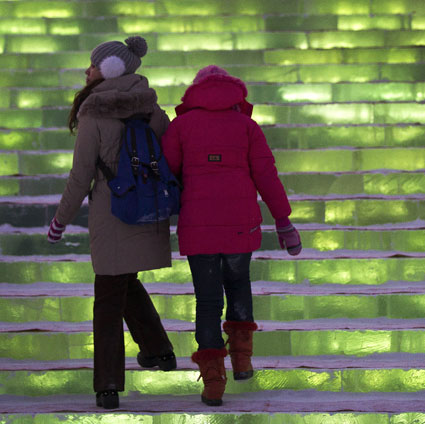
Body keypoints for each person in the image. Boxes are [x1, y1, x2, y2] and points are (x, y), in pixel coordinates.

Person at [46, 36, 176, 410]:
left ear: (109, 70)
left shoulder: (95, 111)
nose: (87, 70)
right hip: (147, 211)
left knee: (107, 296)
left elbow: (80, 175)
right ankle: (158, 350)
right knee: (123, 280)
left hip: (111, 214)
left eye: (93, 64)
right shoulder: (152, 109)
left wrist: (60, 220)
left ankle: (107, 385)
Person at [161, 65, 302, 406]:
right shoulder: (247, 127)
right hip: (241, 223)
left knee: (207, 300)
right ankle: (242, 361)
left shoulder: (181, 126)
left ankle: (213, 382)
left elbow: (168, 175)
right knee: (239, 283)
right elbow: (267, 176)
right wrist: (284, 222)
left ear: (195, 91)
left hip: (198, 224)